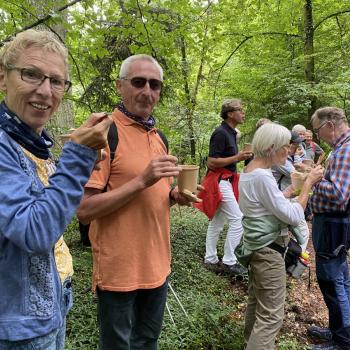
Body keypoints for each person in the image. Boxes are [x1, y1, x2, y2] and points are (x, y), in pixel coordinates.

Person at [0, 29, 112, 349]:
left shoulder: (32, 142)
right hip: (17, 330)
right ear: (3, 78)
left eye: (57, 81)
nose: (45, 91)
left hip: (51, 306)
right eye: (31, 74)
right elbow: (34, 232)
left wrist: (78, 165)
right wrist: (76, 160)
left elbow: (50, 207)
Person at [77, 54, 197, 350]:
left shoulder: (159, 137)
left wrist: (173, 196)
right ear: (120, 86)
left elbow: (152, 195)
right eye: (138, 82)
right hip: (119, 268)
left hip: (158, 264)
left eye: (154, 85)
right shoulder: (104, 133)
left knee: (147, 343)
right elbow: (84, 210)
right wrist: (142, 180)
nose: (147, 91)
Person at [236, 123, 323, 350]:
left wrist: (288, 193)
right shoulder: (263, 177)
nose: (290, 150)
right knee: (271, 316)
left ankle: (250, 344)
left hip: (256, 249)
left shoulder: (249, 171)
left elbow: (266, 206)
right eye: (286, 146)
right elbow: (294, 216)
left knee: (257, 306)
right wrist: (307, 185)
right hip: (268, 252)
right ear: (273, 147)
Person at [308, 107, 350, 350]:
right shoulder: (340, 148)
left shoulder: (345, 151)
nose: (317, 134)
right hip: (334, 224)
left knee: (333, 282)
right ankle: (338, 330)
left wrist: (314, 180)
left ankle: (342, 342)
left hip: (334, 224)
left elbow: (339, 195)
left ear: (330, 125)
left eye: (317, 129)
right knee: (341, 279)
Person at [201, 98, 252, 275]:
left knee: (217, 221)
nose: (243, 113)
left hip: (226, 180)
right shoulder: (221, 133)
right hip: (219, 181)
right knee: (238, 219)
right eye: (240, 110)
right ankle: (229, 261)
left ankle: (210, 259)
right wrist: (237, 158)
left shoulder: (231, 132)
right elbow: (212, 162)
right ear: (230, 113)